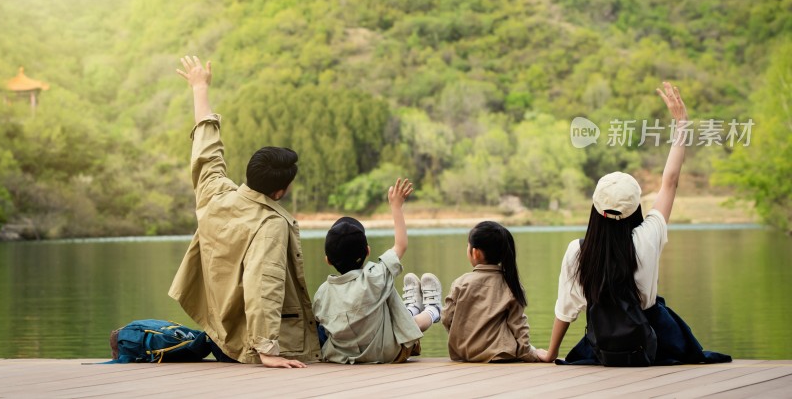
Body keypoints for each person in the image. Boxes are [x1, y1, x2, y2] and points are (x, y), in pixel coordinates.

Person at [545, 82, 731, 365]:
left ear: (595, 208)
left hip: (605, 345)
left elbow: (565, 310)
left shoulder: (578, 251)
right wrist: (681, 124)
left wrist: (551, 354)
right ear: (635, 209)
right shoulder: (648, 237)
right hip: (653, 341)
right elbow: (670, 182)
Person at [168, 56, 320, 368]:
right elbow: (264, 285)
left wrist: (200, 88)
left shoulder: (215, 194)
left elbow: (206, 151)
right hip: (249, 346)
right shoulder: (270, 224)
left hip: (220, 336)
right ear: (280, 192)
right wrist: (266, 351)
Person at [313, 178, 442, 364]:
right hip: (390, 353)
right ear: (367, 251)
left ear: (328, 260)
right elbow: (401, 245)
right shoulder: (374, 276)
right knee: (385, 285)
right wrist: (396, 207)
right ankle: (433, 310)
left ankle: (412, 307)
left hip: (342, 357)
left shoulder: (321, 294)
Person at [442, 220, 548, 363]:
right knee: (525, 345)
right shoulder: (511, 285)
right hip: (500, 354)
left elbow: (447, 318)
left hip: (465, 353)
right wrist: (530, 354)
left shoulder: (461, 283)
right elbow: (518, 325)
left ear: (475, 252)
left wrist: (463, 338)